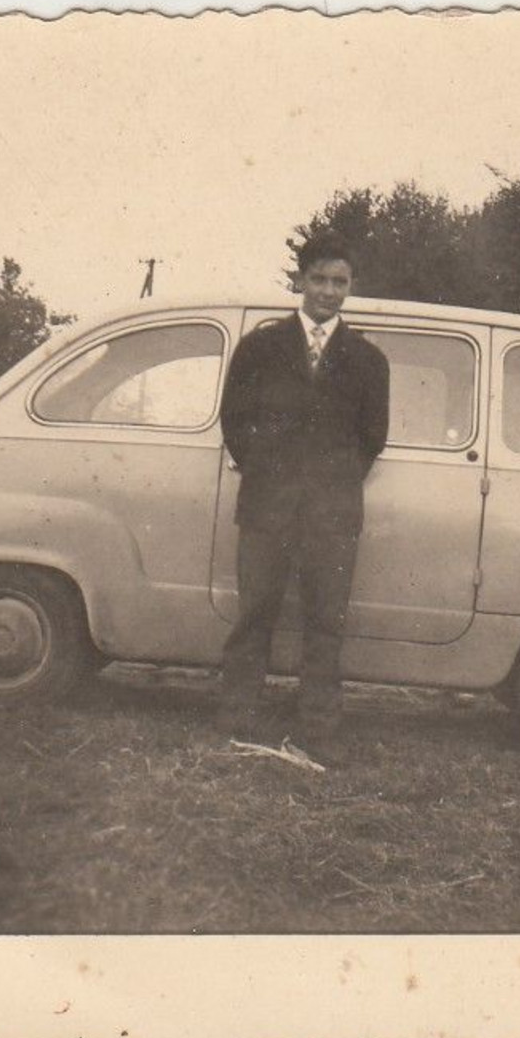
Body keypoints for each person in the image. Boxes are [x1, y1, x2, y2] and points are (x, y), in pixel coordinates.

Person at [215, 233, 390, 750]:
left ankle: (318, 726)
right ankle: (238, 715)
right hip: (267, 506)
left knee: (325, 619)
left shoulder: (368, 360)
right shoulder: (260, 348)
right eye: (319, 279)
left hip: (332, 514)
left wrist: (329, 486)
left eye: (340, 282)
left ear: (351, 286)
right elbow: (235, 422)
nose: (328, 292)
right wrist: (271, 474)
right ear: (300, 281)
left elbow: (372, 439)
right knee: (255, 612)